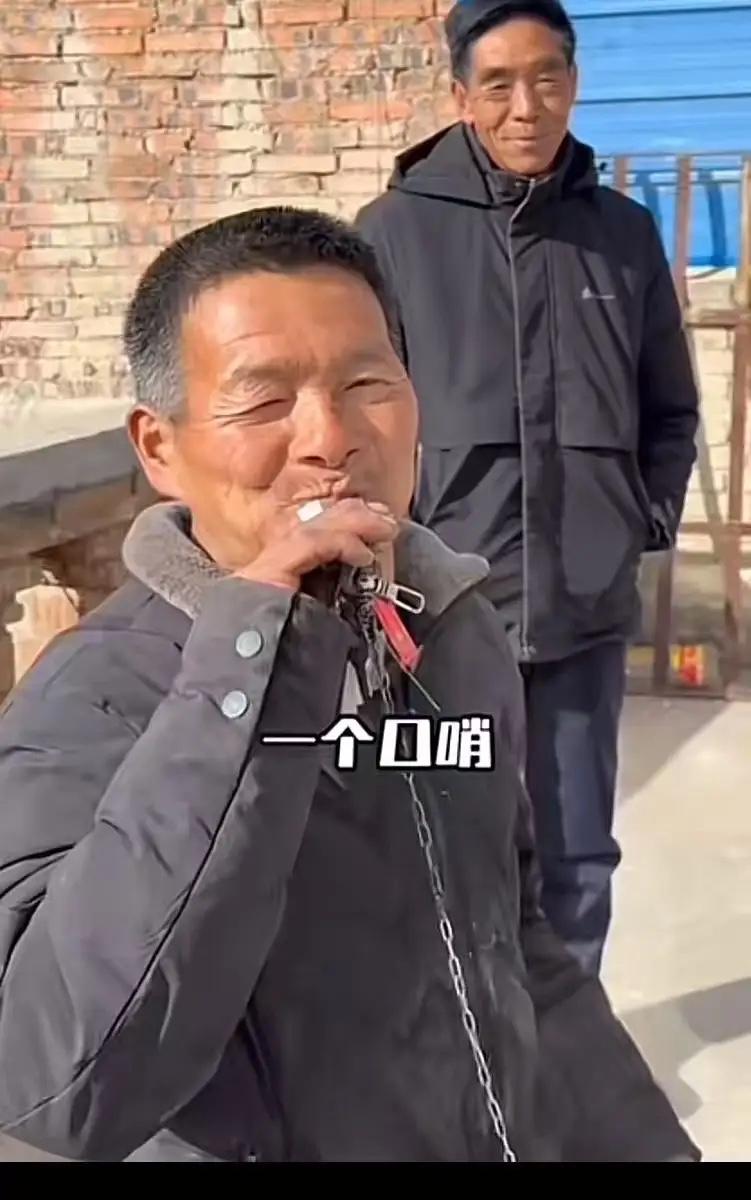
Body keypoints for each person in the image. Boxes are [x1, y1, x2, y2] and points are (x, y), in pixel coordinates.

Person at [0, 208, 698, 1163]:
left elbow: (515, 945)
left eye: (367, 385)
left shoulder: (451, 628)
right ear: (159, 449)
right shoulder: (95, 696)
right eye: (262, 402)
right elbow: (57, 1086)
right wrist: (258, 659)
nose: (329, 438)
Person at [356, 0, 700, 975]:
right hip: (444, 618)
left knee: (577, 855)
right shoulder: (392, 235)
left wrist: (637, 524)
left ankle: (564, 1045)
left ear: (574, 84)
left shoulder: (620, 235)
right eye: (499, 84)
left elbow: (669, 409)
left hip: (583, 611)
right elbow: (363, 421)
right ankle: (463, 1047)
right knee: (445, 851)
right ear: (460, 97)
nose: (525, 106)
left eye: (546, 78)